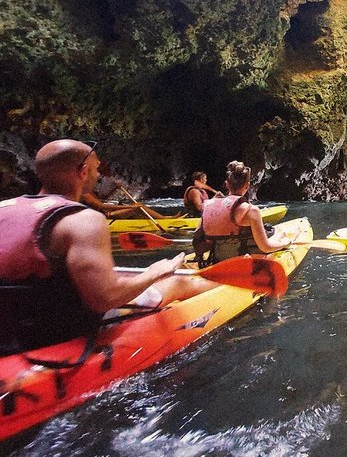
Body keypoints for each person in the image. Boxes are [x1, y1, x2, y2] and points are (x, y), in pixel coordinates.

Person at [0, 139, 215, 356]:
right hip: (60, 331)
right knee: (180, 281)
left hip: (12, 329)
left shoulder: (4, 209)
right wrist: (154, 272)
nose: (98, 175)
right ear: (82, 171)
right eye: (95, 169)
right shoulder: (84, 220)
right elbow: (104, 299)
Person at [192, 161, 291, 265]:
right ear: (247, 185)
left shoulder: (207, 206)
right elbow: (265, 247)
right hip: (243, 261)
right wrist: (285, 243)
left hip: (217, 260)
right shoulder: (251, 211)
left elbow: (198, 240)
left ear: (227, 184)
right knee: (279, 234)